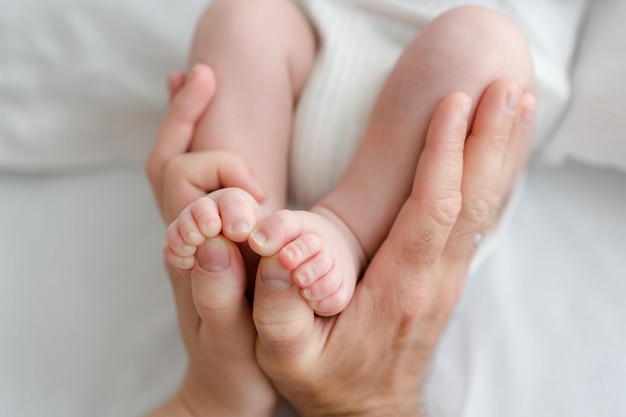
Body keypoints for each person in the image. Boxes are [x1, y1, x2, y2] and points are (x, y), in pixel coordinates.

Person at [145, 67, 535, 416]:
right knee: (478, 49)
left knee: (240, 17)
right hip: (390, 207)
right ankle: (345, 231)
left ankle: (248, 221)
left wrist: (211, 402)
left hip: (306, 45)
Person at [162, 0, 534, 317]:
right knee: (242, 15)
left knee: (486, 44)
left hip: (424, 143)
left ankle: (348, 233)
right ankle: (248, 218)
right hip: (312, 39)